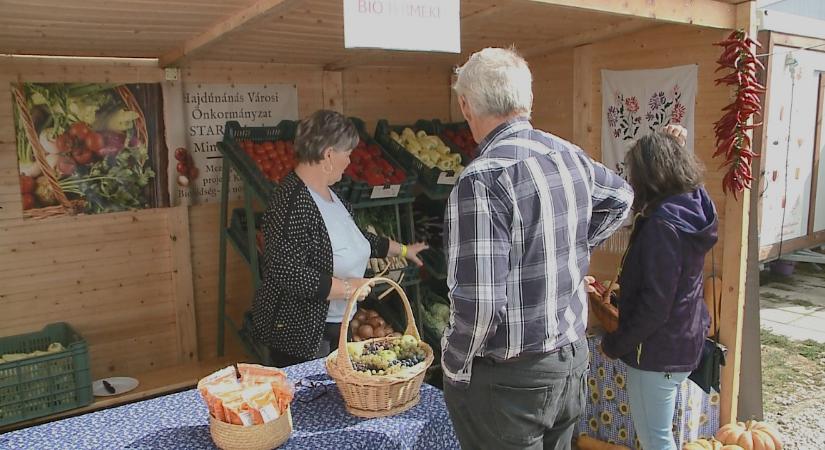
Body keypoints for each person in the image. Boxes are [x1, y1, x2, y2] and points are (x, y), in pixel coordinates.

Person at [441, 47, 633, 450]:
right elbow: (623, 197)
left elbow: (479, 304)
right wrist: (575, 245)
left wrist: (454, 364)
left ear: (465, 104)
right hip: (570, 360)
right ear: (528, 99)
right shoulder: (570, 155)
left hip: (511, 380)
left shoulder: (482, 179)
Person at [251, 109, 428, 367]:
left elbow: (356, 239)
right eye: (347, 154)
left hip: (334, 327)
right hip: (304, 335)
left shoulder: (332, 197)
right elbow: (287, 271)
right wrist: (347, 288)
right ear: (329, 154)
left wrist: (402, 250)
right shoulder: (290, 202)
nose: (349, 162)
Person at [600, 126, 718, 450]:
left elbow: (655, 305)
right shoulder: (694, 207)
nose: (632, 180)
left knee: (656, 440)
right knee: (661, 435)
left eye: (635, 173)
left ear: (651, 178)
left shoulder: (662, 226)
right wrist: (672, 145)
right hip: (684, 339)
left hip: (657, 349)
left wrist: (615, 344)